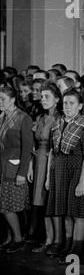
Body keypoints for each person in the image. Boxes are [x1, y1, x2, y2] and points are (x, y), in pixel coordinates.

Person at [45, 89, 84, 263]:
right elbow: (52, 151)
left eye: (72, 103)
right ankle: (67, 245)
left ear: (80, 106)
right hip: (59, 170)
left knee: (78, 213)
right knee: (65, 212)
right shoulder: (57, 122)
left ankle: (76, 249)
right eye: (65, 103)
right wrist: (47, 177)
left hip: (77, 169)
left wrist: (82, 182)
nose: (67, 106)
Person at [28, 82, 63, 253]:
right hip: (38, 161)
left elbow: (55, 147)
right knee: (40, 202)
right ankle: (47, 239)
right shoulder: (40, 118)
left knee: (51, 202)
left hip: (52, 161)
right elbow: (33, 144)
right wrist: (30, 166)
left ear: (57, 99)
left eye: (47, 96)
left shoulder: (59, 118)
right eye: (41, 97)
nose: (43, 100)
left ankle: (57, 240)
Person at [0, 86, 33, 253]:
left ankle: (18, 239)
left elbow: (27, 148)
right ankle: (10, 237)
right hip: (2, 168)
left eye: (2, 99)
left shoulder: (23, 118)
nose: (0, 102)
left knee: (9, 207)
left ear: (12, 100)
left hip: (14, 168)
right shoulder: (2, 116)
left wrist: (22, 172)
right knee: (3, 206)